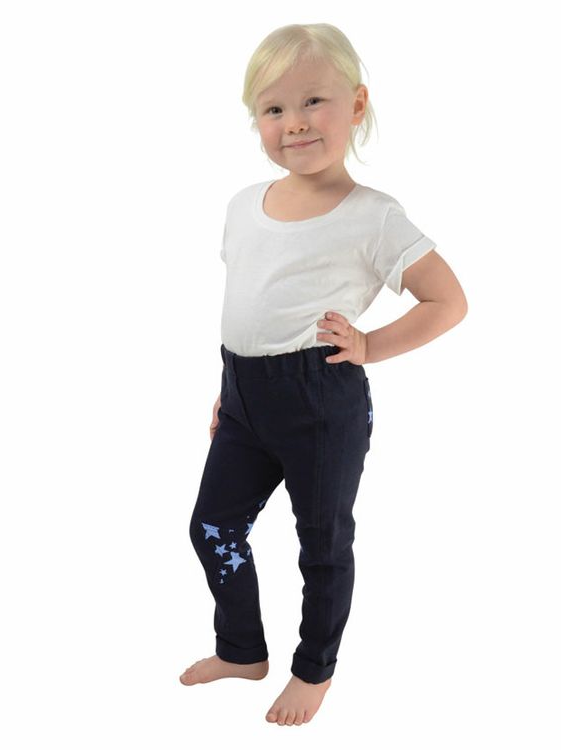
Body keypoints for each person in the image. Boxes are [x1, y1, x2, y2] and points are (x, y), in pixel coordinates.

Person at [179, 23, 468, 726]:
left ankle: (314, 669)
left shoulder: (373, 217)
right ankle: (242, 650)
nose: (296, 122)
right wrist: (231, 389)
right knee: (213, 526)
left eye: (314, 101)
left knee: (323, 543)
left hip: (319, 400)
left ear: (357, 104)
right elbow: (252, 304)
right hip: (244, 397)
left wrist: (368, 346)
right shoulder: (243, 205)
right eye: (274, 109)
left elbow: (449, 301)